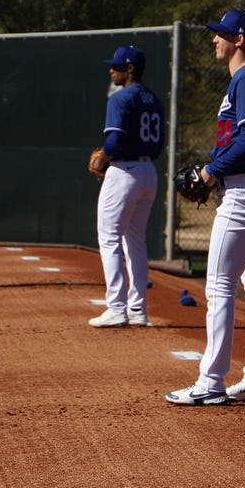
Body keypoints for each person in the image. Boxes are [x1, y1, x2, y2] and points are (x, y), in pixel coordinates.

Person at [165, 9, 245, 406]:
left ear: (240, 39)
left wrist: (210, 171)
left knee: (219, 288)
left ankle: (211, 382)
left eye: (222, 34)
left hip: (244, 195)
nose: (215, 39)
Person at [88, 46, 164, 328]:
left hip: (124, 171)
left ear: (130, 68)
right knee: (135, 241)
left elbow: (116, 141)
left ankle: (116, 307)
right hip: (148, 172)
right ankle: (137, 309)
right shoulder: (155, 100)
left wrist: (102, 158)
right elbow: (158, 143)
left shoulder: (120, 98)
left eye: (117, 66)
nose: (112, 69)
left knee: (109, 237)